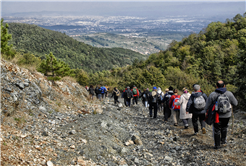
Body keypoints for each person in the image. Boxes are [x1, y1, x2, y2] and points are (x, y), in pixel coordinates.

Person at [204, 80, 238, 149]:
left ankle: (217, 145)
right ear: (224, 86)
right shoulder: (229, 94)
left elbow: (207, 105)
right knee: (224, 127)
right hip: (227, 114)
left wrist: (205, 112)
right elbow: (235, 103)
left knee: (217, 129)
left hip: (217, 115)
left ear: (216, 86)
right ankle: (223, 141)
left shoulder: (213, 94)